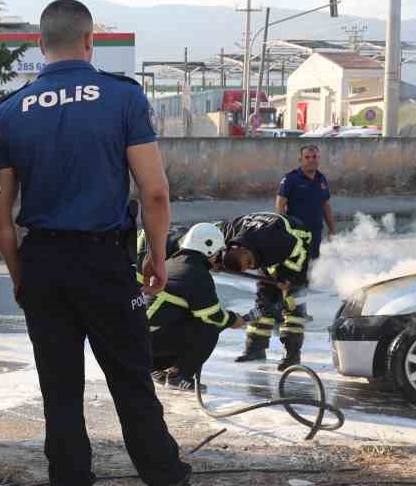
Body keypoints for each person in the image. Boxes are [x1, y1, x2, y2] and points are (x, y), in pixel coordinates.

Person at [0, 0, 207, 486]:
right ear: (90, 42)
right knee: (131, 380)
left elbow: (0, 215)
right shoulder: (121, 97)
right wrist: (157, 255)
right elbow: (153, 191)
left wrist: (19, 273)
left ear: (40, 46)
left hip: (43, 261)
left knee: (59, 390)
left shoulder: (10, 111)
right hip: (105, 261)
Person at [242, 144, 332, 362]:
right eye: (307, 157)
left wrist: (333, 229)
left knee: (297, 296)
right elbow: (280, 205)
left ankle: (292, 355)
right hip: (291, 241)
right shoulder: (291, 179)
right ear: (301, 159)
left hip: (311, 242)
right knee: (267, 297)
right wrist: (280, 228)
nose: (311, 160)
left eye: (314, 157)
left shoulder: (321, 180)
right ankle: (256, 348)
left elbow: (326, 205)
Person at [136, 223, 247, 389]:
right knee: (209, 327)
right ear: (209, 249)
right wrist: (234, 320)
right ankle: (179, 376)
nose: (219, 258)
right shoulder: (194, 272)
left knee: (194, 321)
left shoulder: (173, 262)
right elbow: (213, 315)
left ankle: (156, 369)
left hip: (140, 343)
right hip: (149, 343)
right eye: (218, 253)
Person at [218, 212, 315, 370]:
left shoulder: (277, 240)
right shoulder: (231, 232)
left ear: (246, 251)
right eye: (247, 268)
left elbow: (300, 252)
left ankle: (292, 355)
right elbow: (211, 233)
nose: (250, 268)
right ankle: (255, 349)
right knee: (264, 299)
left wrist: (290, 279)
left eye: (249, 263)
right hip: (263, 249)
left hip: (297, 247)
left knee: (292, 304)